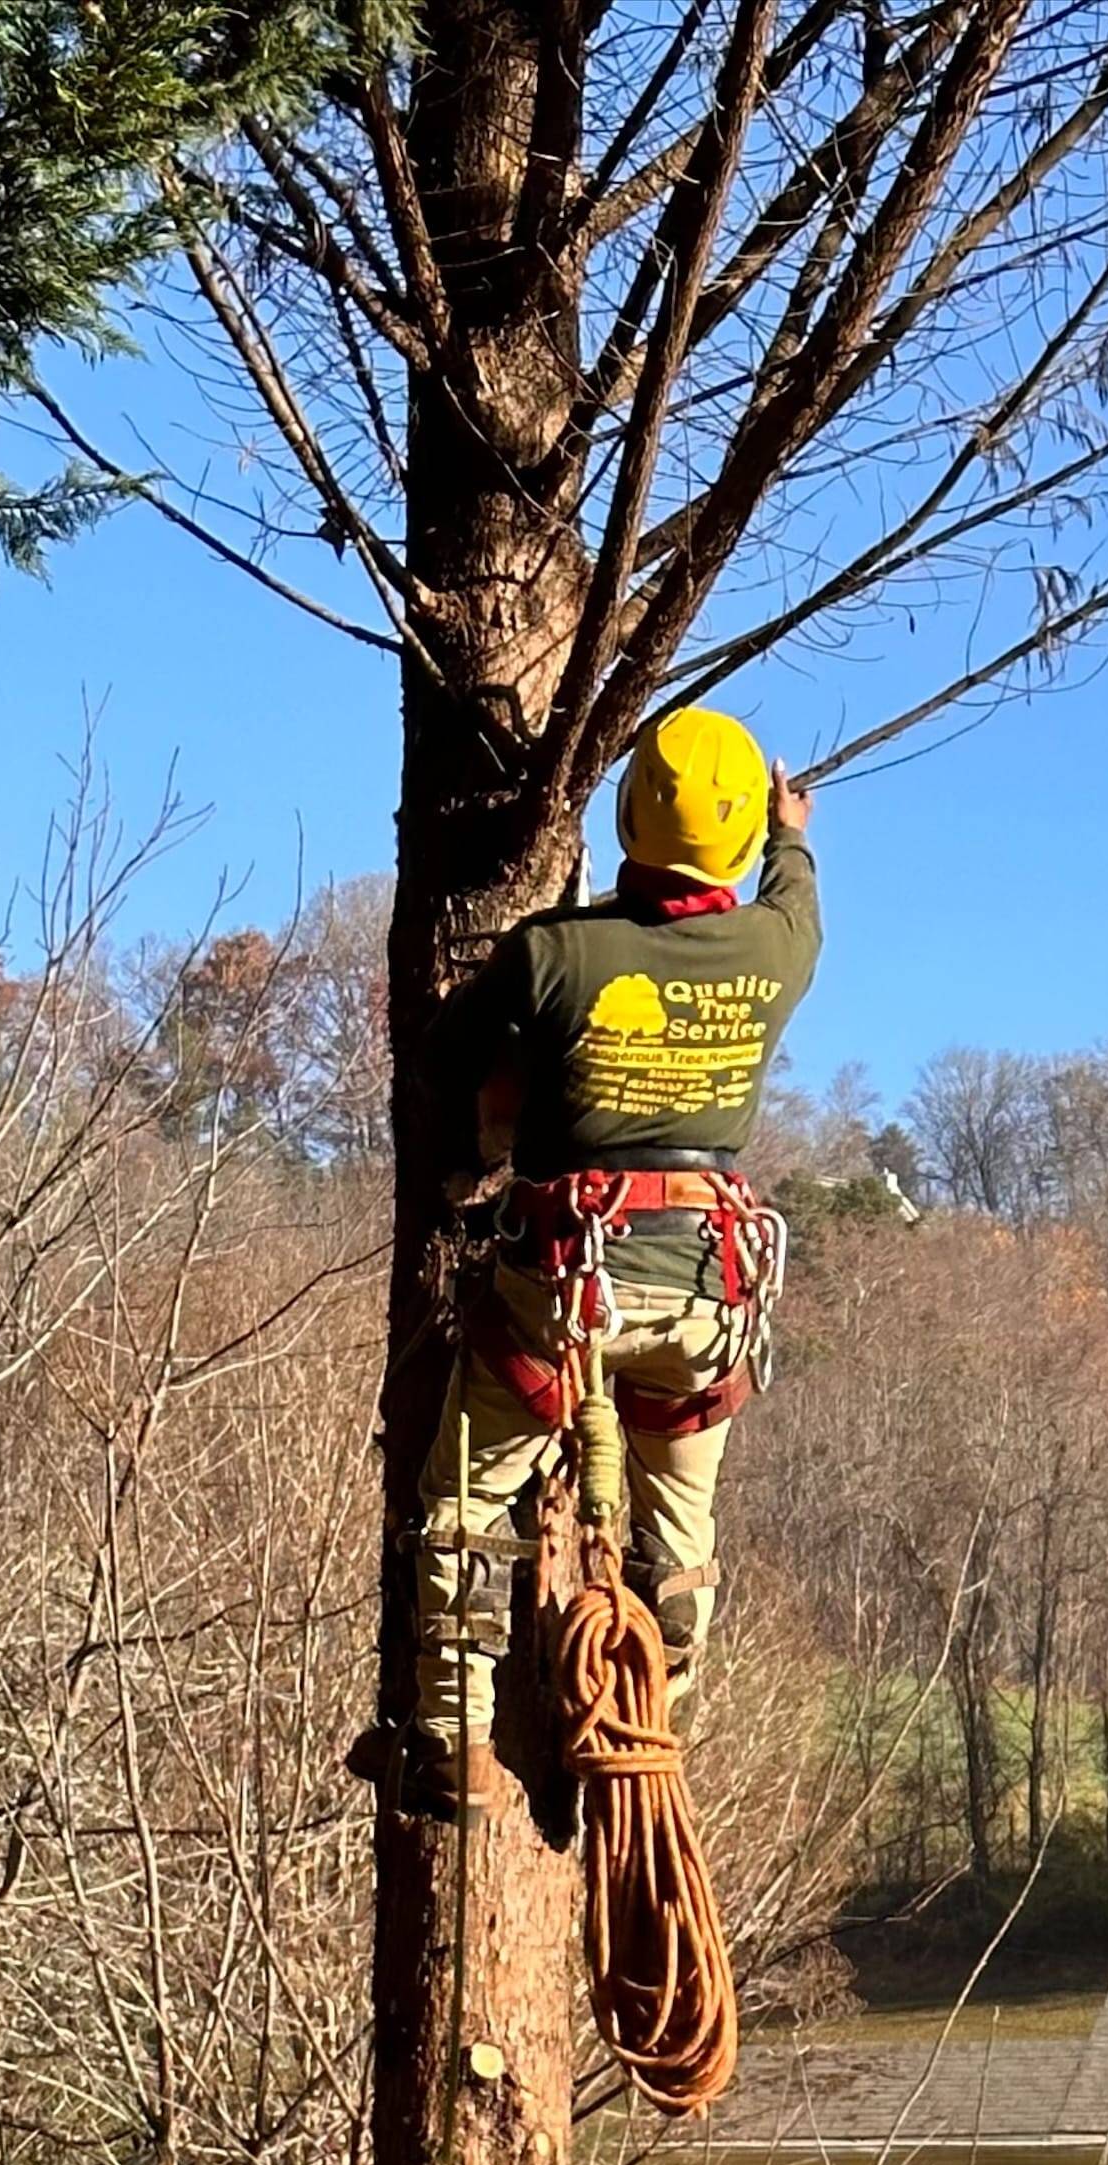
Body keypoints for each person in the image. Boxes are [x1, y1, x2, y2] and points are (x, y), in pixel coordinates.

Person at [401, 702, 821, 1809]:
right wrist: (791, 830)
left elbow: (444, 1053)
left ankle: (452, 1736)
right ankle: (648, 1732)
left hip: (561, 1290)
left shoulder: (556, 953)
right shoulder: (777, 951)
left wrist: (510, 1094)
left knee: (465, 1500)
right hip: (700, 1297)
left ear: (628, 813)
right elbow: (795, 893)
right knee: (677, 1533)